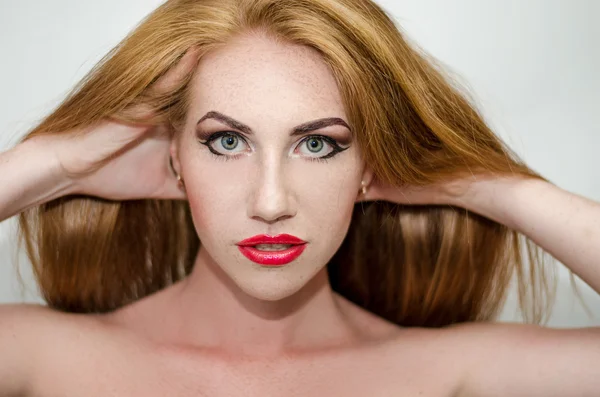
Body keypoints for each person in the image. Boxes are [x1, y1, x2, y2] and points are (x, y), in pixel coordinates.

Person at [1, 0, 599, 395]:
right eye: (227, 140)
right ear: (175, 157)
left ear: (369, 166)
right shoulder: (39, 357)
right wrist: (46, 165)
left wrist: (486, 186)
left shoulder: (448, 373)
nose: (270, 201)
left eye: (318, 145)